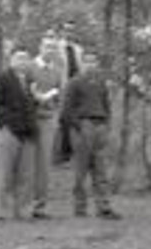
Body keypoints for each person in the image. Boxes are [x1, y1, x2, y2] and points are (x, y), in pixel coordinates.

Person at [59, 48, 119, 219]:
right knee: (81, 170)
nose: (90, 65)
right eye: (87, 61)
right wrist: (79, 126)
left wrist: (106, 123)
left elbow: (106, 105)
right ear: (81, 63)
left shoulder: (101, 83)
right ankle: (80, 208)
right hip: (83, 125)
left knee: (100, 169)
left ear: (97, 64)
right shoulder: (74, 82)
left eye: (93, 61)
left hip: (100, 125)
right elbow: (66, 111)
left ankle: (104, 206)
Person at [0, 47, 39, 220]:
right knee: (4, 173)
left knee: (26, 175)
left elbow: (33, 106)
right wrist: (5, 124)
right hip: (9, 132)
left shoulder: (31, 80)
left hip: (29, 133)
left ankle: (23, 211)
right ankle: (0, 211)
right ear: (11, 60)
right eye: (19, 58)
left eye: (26, 58)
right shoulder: (2, 78)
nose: (22, 61)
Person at [27, 40, 66, 216]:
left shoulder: (57, 72)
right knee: (24, 162)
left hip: (47, 121)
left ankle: (39, 206)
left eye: (54, 48)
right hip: (26, 120)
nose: (50, 51)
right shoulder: (28, 67)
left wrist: (54, 113)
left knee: (43, 164)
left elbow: (59, 97)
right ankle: (20, 204)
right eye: (47, 47)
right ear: (40, 48)